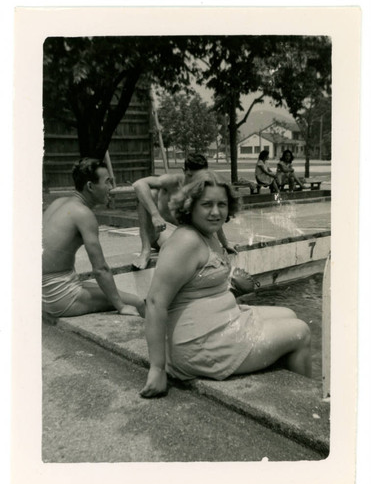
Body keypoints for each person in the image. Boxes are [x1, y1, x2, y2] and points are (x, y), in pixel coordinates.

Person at [139, 170, 312, 398]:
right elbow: (154, 302)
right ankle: (303, 403)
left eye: (222, 204)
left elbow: (199, 287)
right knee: (301, 331)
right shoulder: (186, 241)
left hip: (222, 322)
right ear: (190, 205)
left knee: (288, 313)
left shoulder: (207, 234)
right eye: (207, 204)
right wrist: (157, 369)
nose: (215, 212)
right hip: (201, 344)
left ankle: (288, 388)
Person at [42, 157, 145, 320]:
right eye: (107, 182)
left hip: (39, 290)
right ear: (90, 186)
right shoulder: (83, 214)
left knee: (109, 290)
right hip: (58, 296)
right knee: (138, 302)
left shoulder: (58, 203)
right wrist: (121, 306)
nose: (111, 187)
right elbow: (100, 269)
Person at [131, 153, 237, 270]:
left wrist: (225, 243)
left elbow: (213, 215)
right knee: (148, 194)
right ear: (184, 171)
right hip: (161, 232)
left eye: (200, 177)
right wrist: (155, 215)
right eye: (191, 176)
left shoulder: (203, 187)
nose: (194, 181)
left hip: (186, 235)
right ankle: (145, 252)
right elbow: (138, 184)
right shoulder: (173, 181)